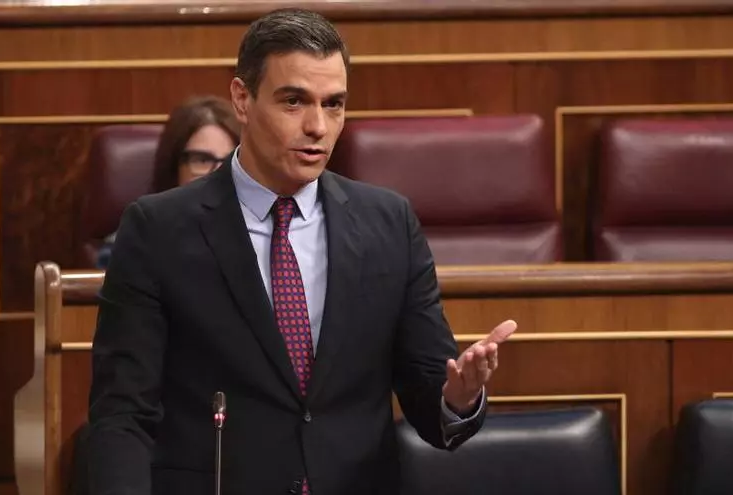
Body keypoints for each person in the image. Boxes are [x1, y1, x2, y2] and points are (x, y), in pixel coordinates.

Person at [86, 7, 517, 495]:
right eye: (294, 101)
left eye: (333, 105)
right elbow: (122, 415)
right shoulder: (158, 229)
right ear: (242, 99)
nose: (317, 126)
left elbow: (428, 395)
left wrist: (457, 398)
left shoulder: (389, 224)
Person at [94, 95, 240, 268]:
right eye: (202, 160)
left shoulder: (259, 236)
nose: (218, 172)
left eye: (230, 161)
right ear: (173, 165)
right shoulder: (135, 241)